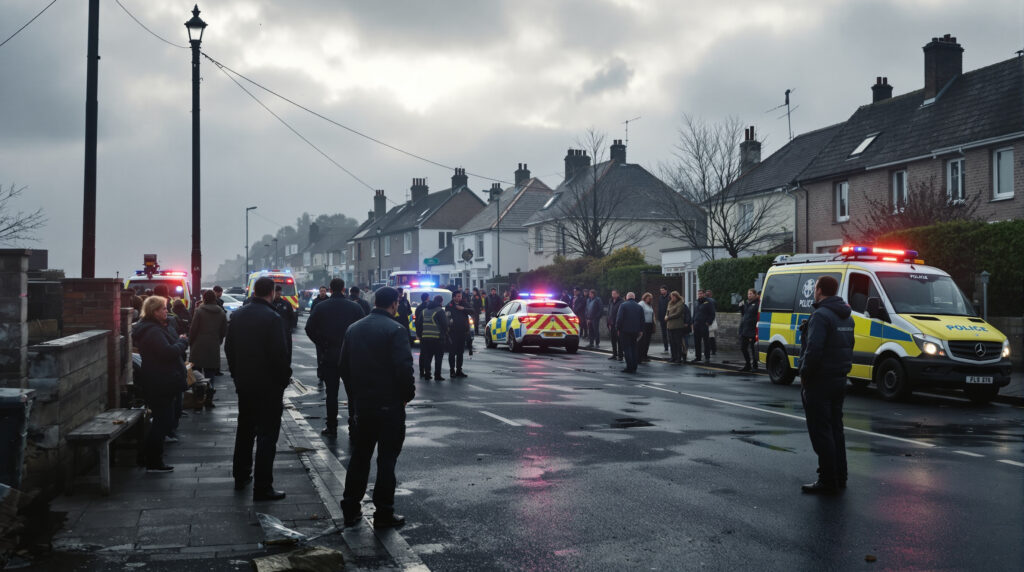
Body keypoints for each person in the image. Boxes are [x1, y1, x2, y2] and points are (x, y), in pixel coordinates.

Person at [339, 287, 415, 529]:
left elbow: (344, 367)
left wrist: (356, 396)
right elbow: (403, 369)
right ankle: (384, 512)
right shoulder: (396, 330)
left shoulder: (354, 329)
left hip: (363, 405)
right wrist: (406, 396)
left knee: (360, 457)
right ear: (394, 303)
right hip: (390, 406)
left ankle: (350, 508)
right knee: (386, 461)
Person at [225, 277, 292, 501]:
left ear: (254, 290)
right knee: (266, 435)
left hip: (245, 383)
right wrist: (283, 379)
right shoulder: (273, 318)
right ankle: (263, 487)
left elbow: (229, 348)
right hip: (269, 386)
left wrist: (236, 375)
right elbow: (279, 355)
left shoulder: (238, 315)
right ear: (272, 292)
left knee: (244, 430)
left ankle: (241, 475)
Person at [798, 275, 855, 495]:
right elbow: (849, 345)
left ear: (819, 290)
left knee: (820, 431)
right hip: (839, 377)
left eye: (815, 289)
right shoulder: (847, 317)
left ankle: (827, 479)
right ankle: (840, 476)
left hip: (819, 380)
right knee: (835, 429)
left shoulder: (821, 316)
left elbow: (814, 349)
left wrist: (804, 373)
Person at [133, 296, 189, 472]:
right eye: (163, 309)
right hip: (161, 381)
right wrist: (182, 342)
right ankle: (153, 461)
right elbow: (167, 352)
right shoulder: (153, 331)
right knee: (162, 422)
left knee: (163, 420)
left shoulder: (157, 328)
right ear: (154, 311)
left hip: (162, 379)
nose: (166, 311)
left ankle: (148, 457)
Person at [305, 278, 366, 437]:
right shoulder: (355, 307)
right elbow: (363, 328)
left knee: (331, 393)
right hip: (350, 355)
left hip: (330, 353)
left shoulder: (321, 307)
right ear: (343, 289)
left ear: (330, 289)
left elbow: (309, 328)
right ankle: (354, 424)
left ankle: (331, 426)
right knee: (352, 393)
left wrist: (322, 343)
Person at [188, 289, 227, 409]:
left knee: (197, 373)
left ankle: (198, 398)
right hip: (213, 345)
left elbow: (193, 329)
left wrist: (190, 342)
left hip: (198, 345)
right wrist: (218, 341)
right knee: (211, 374)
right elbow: (223, 330)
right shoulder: (221, 312)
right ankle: (209, 397)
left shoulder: (199, 311)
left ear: (204, 298)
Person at [419, 295, 448, 381]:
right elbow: (444, 325)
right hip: (437, 338)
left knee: (427, 357)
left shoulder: (424, 311)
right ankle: (437, 375)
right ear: (441, 302)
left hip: (425, 338)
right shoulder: (440, 311)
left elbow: (419, 324)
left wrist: (420, 335)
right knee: (438, 357)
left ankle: (427, 374)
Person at [616, 292, 645, 373]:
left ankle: (629, 367)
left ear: (627, 297)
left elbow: (619, 319)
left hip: (625, 331)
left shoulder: (623, 305)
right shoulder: (639, 307)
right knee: (634, 349)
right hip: (635, 331)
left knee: (627, 349)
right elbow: (642, 320)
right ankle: (634, 367)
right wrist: (641, 330)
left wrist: (618, 329)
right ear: (634, 297)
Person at [446, 291, 471, 378]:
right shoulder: (449, 306)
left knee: (460, 352)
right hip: (453, 332)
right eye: (458, 296)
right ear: (454, 297)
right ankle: (452, 370)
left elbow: (473, 311)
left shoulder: (464, 303)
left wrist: (463, 308)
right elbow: (447, 318)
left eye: (460, 296)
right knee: (452, 352)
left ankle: (459, 370)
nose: (460, 298)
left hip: (463, 331)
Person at [272, 285, 298, 359]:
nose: (278, 293)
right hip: (273, 333)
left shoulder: (286, 304)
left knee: (286, 352)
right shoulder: (269, 303)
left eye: (279, 292)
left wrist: (290, 328)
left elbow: (292, 317)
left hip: (285, 332)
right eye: (276, 292)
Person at [665, 291, 690, 363]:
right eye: (671, 297)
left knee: (678, 343)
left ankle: (679, 358)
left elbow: (677, 313)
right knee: (672, 343)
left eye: (673, 296)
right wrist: (666, 316)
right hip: (669, 326)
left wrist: (668, 317)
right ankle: (673, 357)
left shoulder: (680, 303)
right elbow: (667, 311)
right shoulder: (669, 303)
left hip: (677, 326)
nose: (671, 298)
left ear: (676, 296)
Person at [692, 290, 715, 363]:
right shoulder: (696, 302)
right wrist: (692, 322)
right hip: (696, 324)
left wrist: (708, 322)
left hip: (704, 325)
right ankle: (698, 357)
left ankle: (707, 357)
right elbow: (694, 313)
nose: (699, 295)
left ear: (704, 294)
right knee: (697, 342)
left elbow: (712, 314)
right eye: (698, 294)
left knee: (706, 342)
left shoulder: (708, 302)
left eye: (701, 293)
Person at [739, 288, 760, 371]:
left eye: (751, 294)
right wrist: (741, 308)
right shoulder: (747, 303)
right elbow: (744, 315)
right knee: (743, 348)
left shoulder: (757, 304)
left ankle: (755, 365)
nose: (749, 295)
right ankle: (747, 364)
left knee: (753, 348)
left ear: (755, 295)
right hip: (745, 329)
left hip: (752, 330)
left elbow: (756, 317)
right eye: (748, 294)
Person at [638, 292, 656, 362]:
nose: (650, 300)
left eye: (651, 299)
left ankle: (645, 355)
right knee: (642, 341)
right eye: (649, 298)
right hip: (643, 324)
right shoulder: (641, 304)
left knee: (647, 341)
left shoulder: (649, 305)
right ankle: (640, 356)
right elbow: (638, 313)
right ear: (645, 297)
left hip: (649, 325)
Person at [606, 290, 624, 361]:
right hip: (611, 324)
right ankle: (614, 354)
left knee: (619, 341)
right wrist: (608, 322)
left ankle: (620, 355)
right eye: (612, 293)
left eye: (614, 294)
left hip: (618, 324)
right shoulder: (610, 301)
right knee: (613, 340)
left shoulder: (621, 302)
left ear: (618, 294)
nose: (613, 295)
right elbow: (609, 312)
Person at [657, 286, 671, 353]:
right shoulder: (660, 298)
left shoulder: (670, 297)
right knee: (664, 334)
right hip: (662, 318)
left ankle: (672, 347)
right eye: (661, 290)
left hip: (669, 318)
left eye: (662, 290)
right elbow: (659, 308)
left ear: (666, 290)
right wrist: (659, 317)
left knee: (670, 333)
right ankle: (666, 348)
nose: (661, 291)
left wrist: (668, 316)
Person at [706, 289, 718, 356]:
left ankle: (712, 350)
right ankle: (713, 350)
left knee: (709, 337)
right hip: (711, 320)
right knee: (711, 336)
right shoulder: (713, 301)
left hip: (708, 321)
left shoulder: (708, 301)